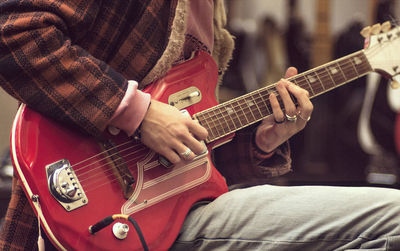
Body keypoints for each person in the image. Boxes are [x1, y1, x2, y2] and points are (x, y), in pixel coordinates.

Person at [1, 1, 400, 250]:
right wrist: (138, 114)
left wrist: (262, 140)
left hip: (172, 213)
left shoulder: (213, 17)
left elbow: (183, 152)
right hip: (91, 215)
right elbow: (12, 31)